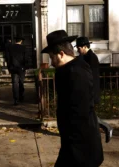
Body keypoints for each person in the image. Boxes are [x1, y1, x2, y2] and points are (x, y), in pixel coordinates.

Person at [41, 30, 104, 167]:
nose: (51, 63)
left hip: (81, 144)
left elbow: (81, 110)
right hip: (72, 142)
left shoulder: (76, 72)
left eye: (52, 57)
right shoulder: (68, 69)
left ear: (62, 54)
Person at [75, 37, 113, 143]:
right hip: (86, 92)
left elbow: (90, 77)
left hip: (89, 92)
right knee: (86, 114)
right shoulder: (85, 57)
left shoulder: (91, 58)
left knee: (88, 114)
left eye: (78, 48)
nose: (77, 50)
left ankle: (106, 127)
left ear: (84, 47)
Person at [7, 36, 26, 105]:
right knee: (21, 82)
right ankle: (21, 97)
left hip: (13, 68)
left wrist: (9, 68)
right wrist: (25, 67)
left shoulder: (10, 47)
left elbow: (8, 59)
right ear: (21, 41)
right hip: (21, 68)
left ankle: (15, 100)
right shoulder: (23, 48)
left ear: (15, 41)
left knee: (15, 84)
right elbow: (26, 58)